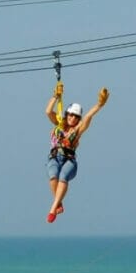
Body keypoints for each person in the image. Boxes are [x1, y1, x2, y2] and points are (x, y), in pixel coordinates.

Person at [45, 85, 108, 223]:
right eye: (71, 115)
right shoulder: (59, 124)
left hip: (69, 160)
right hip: (55, 157)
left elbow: (88, 117)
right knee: (53, 174)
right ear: (67, 114)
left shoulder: (77, 130)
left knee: (63, 177)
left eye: (76, 117)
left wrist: (99, 104)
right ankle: (58, 203)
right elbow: (48, 111)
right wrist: (56, 96)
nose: (73, 118)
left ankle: (53, 209)